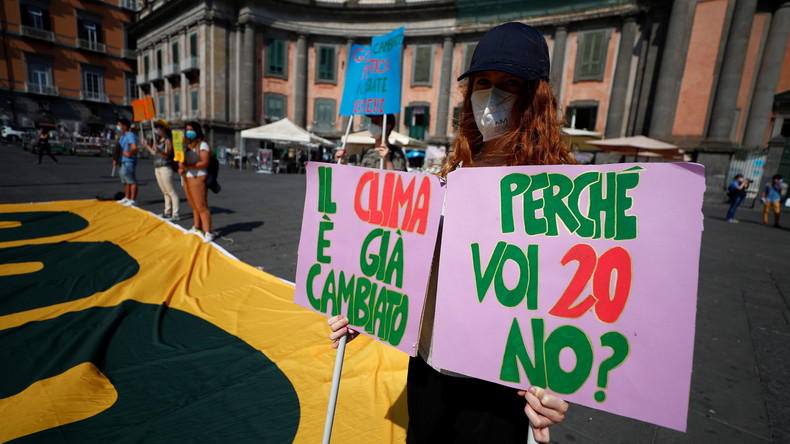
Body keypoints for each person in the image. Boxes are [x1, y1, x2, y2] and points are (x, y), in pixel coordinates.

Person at [329, 23, 570, 443]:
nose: (492, 96)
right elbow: (414, 266)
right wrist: (363, 300)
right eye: (483, 82)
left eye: (510, 83)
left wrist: (558, 386)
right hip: (428, 366)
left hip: (497, 383)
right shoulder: (448, 174)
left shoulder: (563, 189)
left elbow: (568, 298)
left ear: (537, 97)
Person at [179, 121, 214, 243]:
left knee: (201, 205)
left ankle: (208, 231)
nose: (189, 132)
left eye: (191, 130)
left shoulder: (202, 144)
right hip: (187, 176)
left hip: (198, 176)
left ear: (197, 131)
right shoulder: (185, 144)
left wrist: (189, 166)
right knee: (193, 204)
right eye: (187, 130)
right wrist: (181, 167)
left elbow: (205, 162)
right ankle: (196, 226)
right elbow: (181, 161)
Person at [336, 114, 407, 171]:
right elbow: (357, 176)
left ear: (388, 126)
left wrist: (387, 161)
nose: (372, 125)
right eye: (372, 122)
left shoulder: (396, 152)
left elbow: (399, 181)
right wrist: (343, 163)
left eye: (376, 122)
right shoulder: (367, 151)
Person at [142, 119, 180, 221]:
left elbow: (167, 155)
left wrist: (159, 151)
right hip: (157, 167)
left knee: (171, 191)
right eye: (156, 127)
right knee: (164, 191)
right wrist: (147, 146)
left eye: (159, 127)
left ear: (164, 128)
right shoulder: (157, 140)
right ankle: (167, 212)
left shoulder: (168, 140)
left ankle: (175, 214)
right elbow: (153, 153)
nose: (157, 129)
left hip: (165, 167)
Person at [115, 118, 139, 206]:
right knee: (125, 180)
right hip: (122, 160)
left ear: (124, 126)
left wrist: (129, 154)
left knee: (131, 180)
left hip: (129, 161)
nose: (118, 127)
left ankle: (133, 199)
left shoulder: (130, 135)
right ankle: (127, 197)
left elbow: (134, 147)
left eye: (119, 125)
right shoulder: (122, 136)